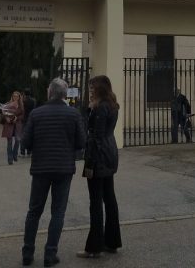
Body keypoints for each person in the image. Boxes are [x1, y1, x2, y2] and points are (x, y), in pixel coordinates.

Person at [21, 78, 85, 267]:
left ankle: (27, 253)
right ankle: (50, 254)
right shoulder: (73, 114)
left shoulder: (36, 113)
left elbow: (25, 143)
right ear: (65, 94)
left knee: (34, 211)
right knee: (58, 212)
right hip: (64, 169)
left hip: (41, 168)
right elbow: (81, 142)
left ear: (49, 93)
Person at [77, 75, 122, 259]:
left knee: (96, 202)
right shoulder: (112, 105)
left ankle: (94, 247)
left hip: (98, 156)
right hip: (109, 153)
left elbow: (96, 135)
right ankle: (112, 241)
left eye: (92, 88)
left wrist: (89, 162)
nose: (90, 91)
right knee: (109, 198)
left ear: (99, 89)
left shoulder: (100, 107)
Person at [1, 91, 24, 165]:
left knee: (18, 140)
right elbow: (3, 113)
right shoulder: (8, 104)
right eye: (14, 96)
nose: (15, 97)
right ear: (12, 96)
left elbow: (23, 115)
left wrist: (17, 118)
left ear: (19, 97)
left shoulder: (21, 105)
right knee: (9, 142)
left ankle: (15, 154)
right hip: (9, 125)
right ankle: (10, 159)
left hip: (17, 124)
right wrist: (6, 117)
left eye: (17, 96)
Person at [20, 88, 36, 157]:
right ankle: (29, 152)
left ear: (24, 93)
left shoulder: (23, 101)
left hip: (24, 119)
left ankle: (22, 152)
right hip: (31, 119)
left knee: (23, 136)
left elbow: (21, 110)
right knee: (30, 136)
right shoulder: (33, 100)